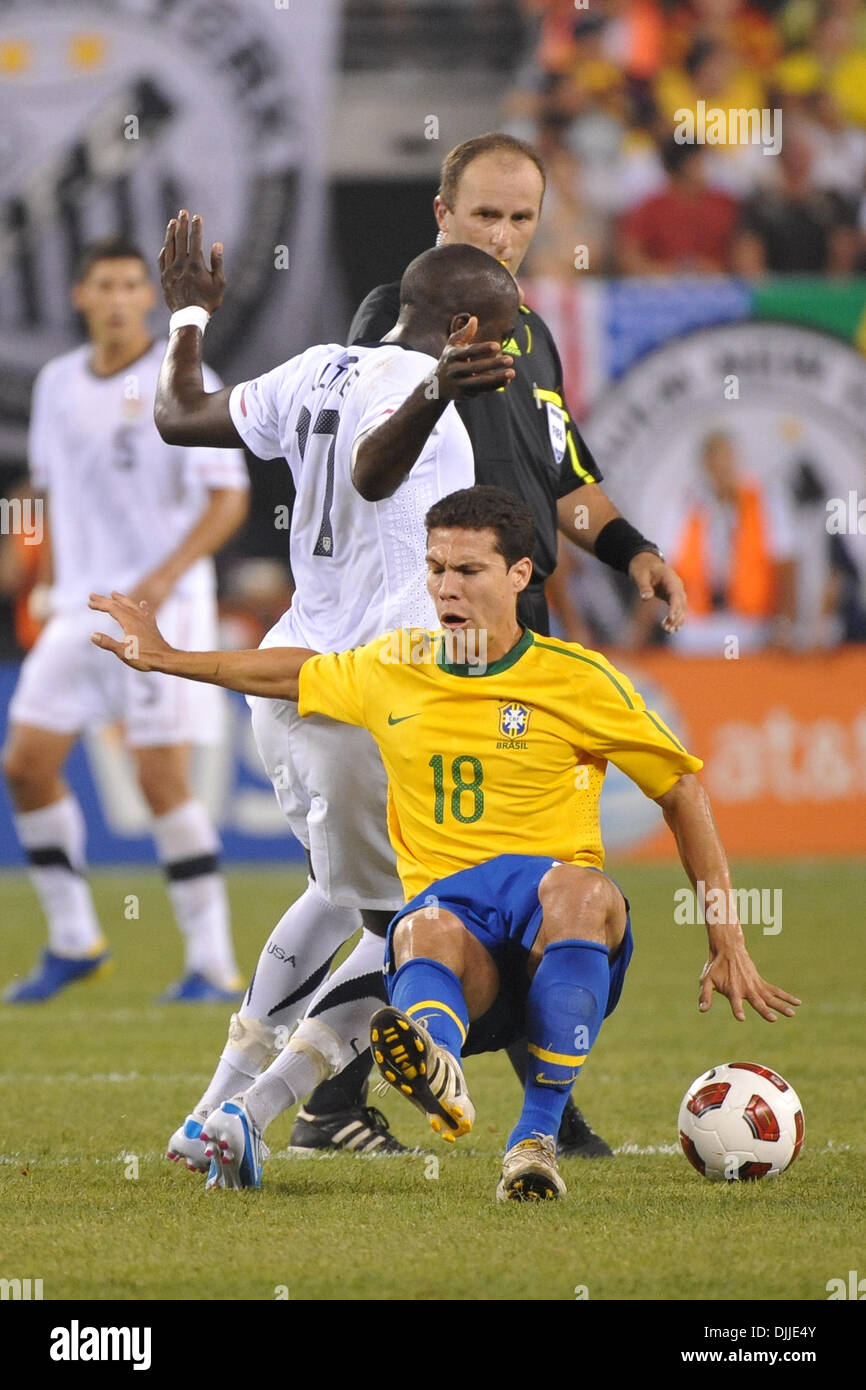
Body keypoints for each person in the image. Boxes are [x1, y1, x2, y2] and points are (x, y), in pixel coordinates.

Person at [89, 484, 800, 1201]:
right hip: (459, 955)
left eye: (468, 571)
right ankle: (434, 1057)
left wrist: (727, 937)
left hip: (557, 935)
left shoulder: (578, 679)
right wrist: (166, 656)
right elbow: (291, 672)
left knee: (581, 888)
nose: (445, 588)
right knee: (423, 923)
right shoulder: (395, 666)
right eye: (435, 569)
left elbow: (681, 792)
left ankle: (533, 1141)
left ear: (520, 575)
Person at [304, 130, 688, 1157]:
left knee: (524, 877)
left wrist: (631, 548)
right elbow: (364, 475)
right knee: (407, 887)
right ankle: (326, 1093)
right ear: (441, 214)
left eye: (521, 218)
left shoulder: (534, 338)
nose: (506, 236)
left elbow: (562, 482)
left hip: (524, 629)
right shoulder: (396, 324)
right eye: (485, 215)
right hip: (436, 640)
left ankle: (539, 1107)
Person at [148, 210, 520, 1169]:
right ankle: (259, 1112)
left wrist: (188, 319)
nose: (510, 357)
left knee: (345, 894)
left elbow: (178, 416)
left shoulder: (315, 367)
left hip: (285, 689)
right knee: (430, 929)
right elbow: (369, 471)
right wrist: (438, 390)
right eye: (506, 338)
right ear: (469, 332)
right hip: (371, 704)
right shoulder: (424, 402)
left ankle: (214, 1113)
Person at [1, 239, 249, 1003]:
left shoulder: (184, 377)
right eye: (103, 284)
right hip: (78, 604)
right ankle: (76, 940)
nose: (116, 298)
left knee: (159, 778)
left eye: (130, 285)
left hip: (162, 609)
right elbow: (37, 487)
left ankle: (212, 964)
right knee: (26, 765)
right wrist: (20, 551)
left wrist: (163, 580)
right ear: (80, 295)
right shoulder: (56, 383)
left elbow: (229, 496)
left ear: (149, 297)